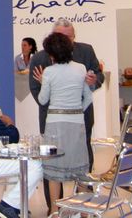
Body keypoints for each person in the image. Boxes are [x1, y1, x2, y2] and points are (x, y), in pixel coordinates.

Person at [29, 18, 104, 209]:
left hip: (71, 121)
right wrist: (74, 108)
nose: (64, 40)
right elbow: (35, 91)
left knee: (76, 164)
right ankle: (55, 208)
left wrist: (93, 80)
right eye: (61, 36)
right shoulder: (39, 58)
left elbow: (98, 76)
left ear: (74, 36)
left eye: (69, 36)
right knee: (58, 165)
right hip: (61, 119)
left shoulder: (86, 51)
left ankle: (79, 207)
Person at [0, 74, 43, 218]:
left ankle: (16, 206)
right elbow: (12, 137)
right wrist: (9, 123)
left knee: (17, 164)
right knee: (35, 165)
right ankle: (8, 205)